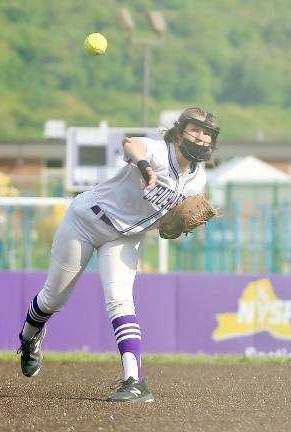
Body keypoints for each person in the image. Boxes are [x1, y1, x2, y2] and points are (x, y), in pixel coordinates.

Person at [16, 106, 220, 402]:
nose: (201, 138)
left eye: (207, 133)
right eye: (195, 130)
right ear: (180, 131)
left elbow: (180, 214)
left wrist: (178, 224)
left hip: (125, 236)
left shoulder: (198, 178)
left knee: (121, 301)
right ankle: (28, 338)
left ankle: (134, 382)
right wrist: (144, 167)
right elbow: (129, 143)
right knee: (53, 298)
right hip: (86, 220)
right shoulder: (158, 151)